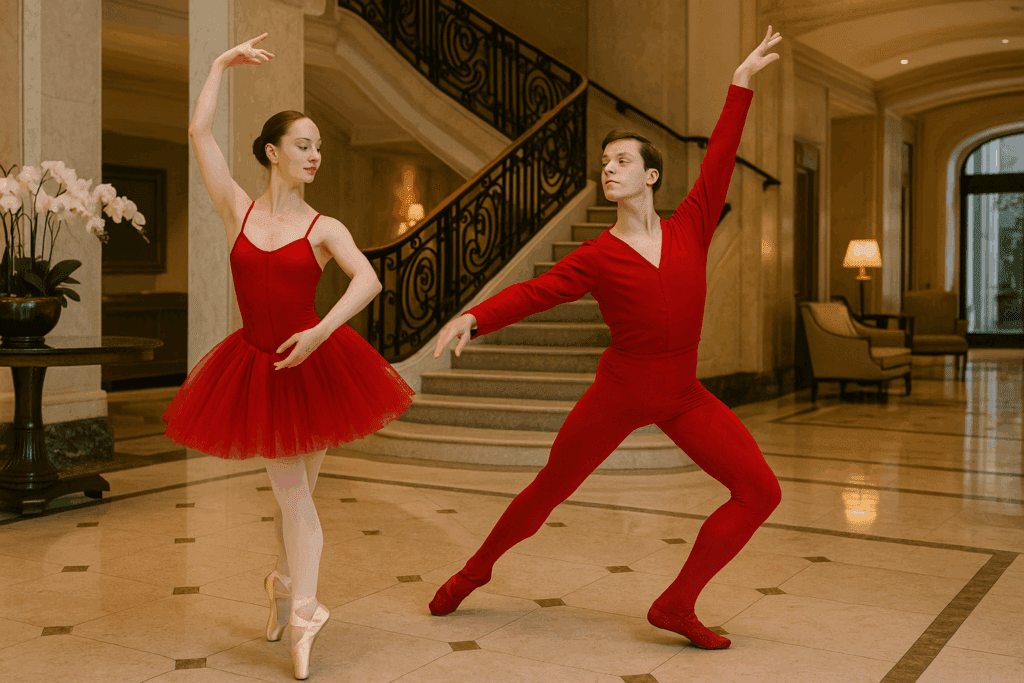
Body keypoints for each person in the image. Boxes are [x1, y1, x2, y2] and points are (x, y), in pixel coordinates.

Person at [428, 28, 784, 650]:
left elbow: (721, 156)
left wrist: (740, 84)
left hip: (682, 394)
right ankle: (473, 571)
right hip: (620, 390)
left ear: (650, 176)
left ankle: (676, 604)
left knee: (760, 492)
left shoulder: (693, 225)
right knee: (546, 493)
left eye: (622, 162)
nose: (609, 170)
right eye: (604, 163)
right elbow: (534, 293)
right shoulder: (596, 256)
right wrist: (475, 317)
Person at [161, 33, 414, 679]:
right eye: (303, 144)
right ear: (272, 152)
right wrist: (220, 63)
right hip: (256, 368)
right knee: (295, 498)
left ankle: (278, 584)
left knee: (295, 497)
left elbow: (368, 280)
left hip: (317, 364)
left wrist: (322, 331)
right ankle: (303, 611)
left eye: (319, 147)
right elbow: (198, 132)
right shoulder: (237, 210)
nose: (315, 155)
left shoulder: (324, 227)